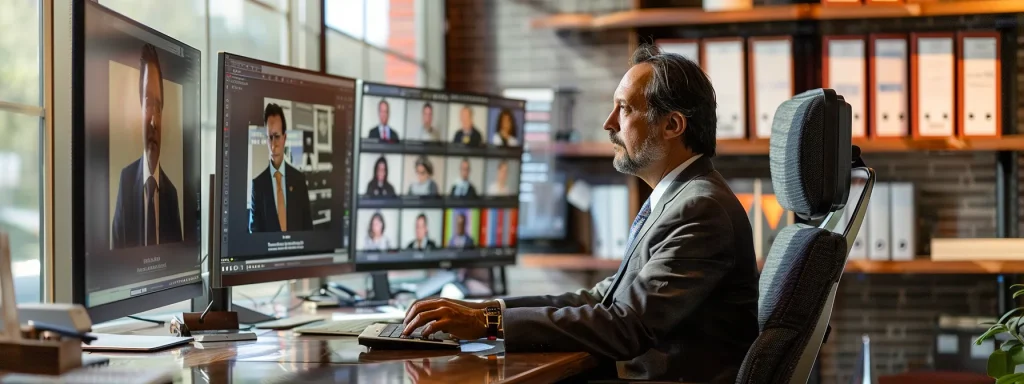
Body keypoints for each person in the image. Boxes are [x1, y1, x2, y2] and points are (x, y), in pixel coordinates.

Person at [401, 44, 759, 383]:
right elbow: (600, 299)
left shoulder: (701, 208)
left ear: (672, 125)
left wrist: (488, 324)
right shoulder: (679, 199)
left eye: (624, 109)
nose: (609, 123)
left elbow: (625, 326)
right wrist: (484, 310)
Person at [112, 43, 183, 249]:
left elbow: (179, 260)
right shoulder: (126, 181)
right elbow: (115, 255)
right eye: (148, 104)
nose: (153, 121)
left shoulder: (172, 195)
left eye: (158, 108)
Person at [249, 103, 315, 233]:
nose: (273, 145)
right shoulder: (258, 186)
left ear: (284, 138)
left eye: (277, 136)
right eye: (270, 137)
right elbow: (255, 236)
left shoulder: (299, 180)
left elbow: (308, 229)